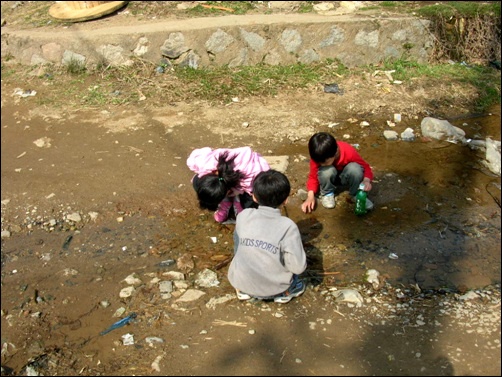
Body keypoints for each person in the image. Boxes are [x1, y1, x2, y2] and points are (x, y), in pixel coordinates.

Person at [228, 170, 307, 304]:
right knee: (297, 267)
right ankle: (288, 292)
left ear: (254, 197)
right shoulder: (288, 226)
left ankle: (243, 291)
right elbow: (298, 267)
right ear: (286, 200)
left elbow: (239, 245)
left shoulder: (243, 215)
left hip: (240, 283)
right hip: (275, 289)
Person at [187, 146, 270, 223]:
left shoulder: (251, 176)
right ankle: (227, 202)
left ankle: (238, 202)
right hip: (228, 179)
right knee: (196, 181)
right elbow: (194, 157)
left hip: (249, 174)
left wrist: (238, 191)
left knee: (252, 200)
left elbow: (258, 189)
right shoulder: (204, 163)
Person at [301, 132, 374, 213]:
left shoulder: (347, 150)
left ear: (335, 153)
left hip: (345, 177)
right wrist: (310, 196)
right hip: (329, 178)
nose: (322, 164)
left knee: (355, 168)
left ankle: (356, 194)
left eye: (325, 162)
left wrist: (366, 181)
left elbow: (365, 167)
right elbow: (313, 177)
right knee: (327, 170)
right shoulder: (318, 156)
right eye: (320, 163)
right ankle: (327, 193)